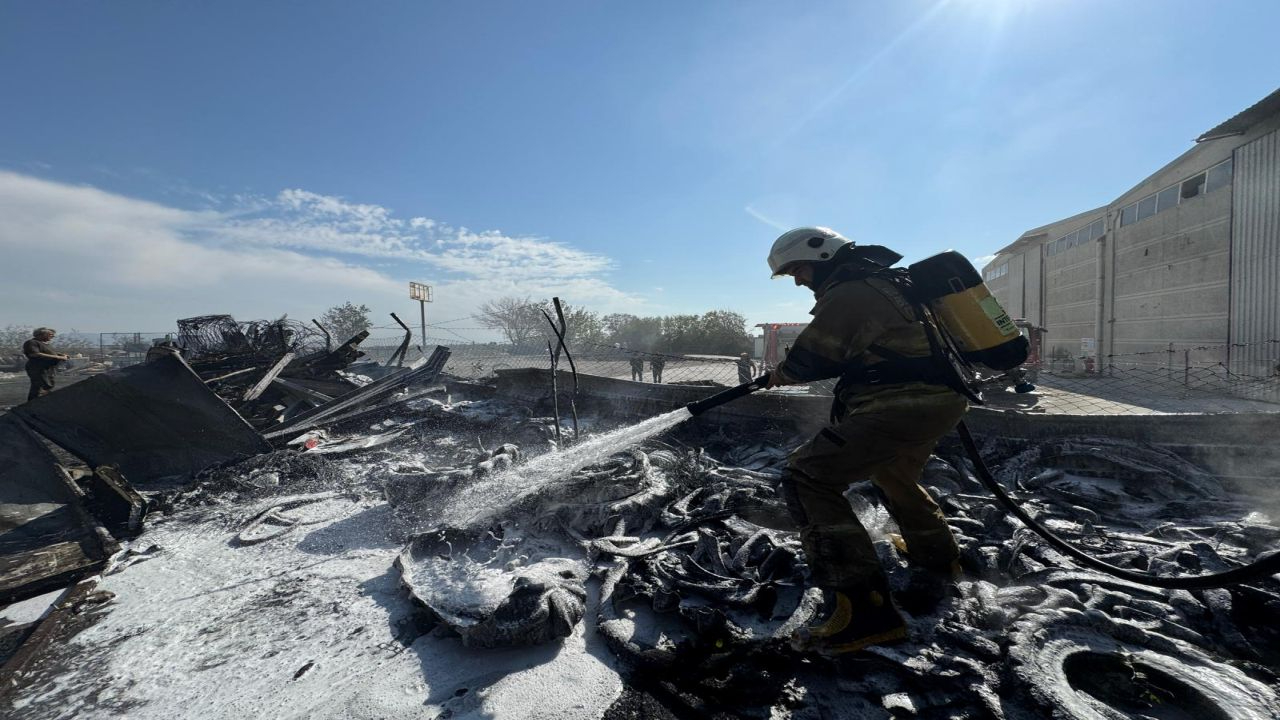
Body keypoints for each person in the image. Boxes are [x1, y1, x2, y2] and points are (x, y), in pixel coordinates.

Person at [763, 226, 969, 656]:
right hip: (937, 401)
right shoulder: (889, 284)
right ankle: (939, 558)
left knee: (808, 476)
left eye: (798, 270)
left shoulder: (853, 292)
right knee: (892, 472)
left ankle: (864, 610)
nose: (799, 281)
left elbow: (814, 356)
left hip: (898, 405)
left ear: (820, 259)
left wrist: (784, 372)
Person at [23, 327, 69, 402]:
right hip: (37, 368)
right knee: (40, 386)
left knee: (49, 385)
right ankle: (33, 405)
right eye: (50, 334)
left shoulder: (45, 344)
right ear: (42, 334)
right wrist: (57, 357)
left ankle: (42, 403)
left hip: (48, 369)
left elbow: (48, 353)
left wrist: (61, 355)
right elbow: (35, 354)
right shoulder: (32, 342)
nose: (53, 336)